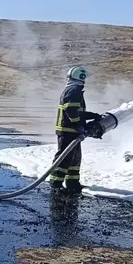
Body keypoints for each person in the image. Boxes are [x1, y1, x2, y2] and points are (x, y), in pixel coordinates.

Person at [50, 66, 101, 194]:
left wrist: (92, 116)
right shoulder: (73, 90)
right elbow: (71, 110)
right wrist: (78, 123)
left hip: (73, 131)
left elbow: (78, 111)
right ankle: (56, 182)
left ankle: (73, 183)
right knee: (64, 156)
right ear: (81, 77)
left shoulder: (75, 90)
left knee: (75, 158)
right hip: (67, 130)